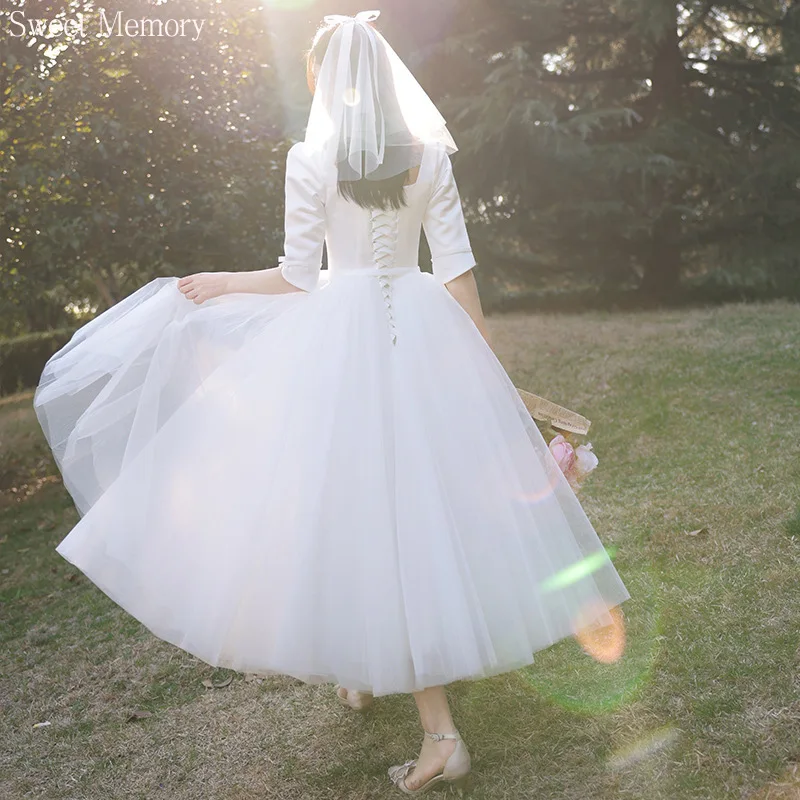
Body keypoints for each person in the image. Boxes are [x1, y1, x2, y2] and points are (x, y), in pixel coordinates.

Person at [33, 10, 630, 796]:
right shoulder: (428, 157)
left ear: (326, 80)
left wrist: (221, 282)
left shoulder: (309, 159)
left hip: (344, 342)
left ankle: (442, 735)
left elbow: (297, 276)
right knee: (417, 508)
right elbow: (456, 272)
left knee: (364, 513)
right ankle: (367, 662)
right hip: (424, 331)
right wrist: (486, 369)